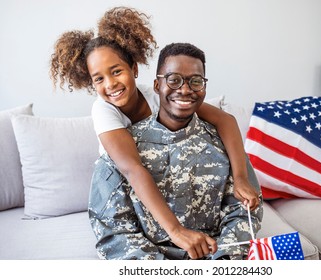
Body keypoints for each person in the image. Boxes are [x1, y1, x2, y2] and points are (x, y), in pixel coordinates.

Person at [49, 6, 260, 258]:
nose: (111, 84)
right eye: (99, 79)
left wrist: (240, 178)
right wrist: (175, 230)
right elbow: (133, 170)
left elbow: (225, 120)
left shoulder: (163, 98)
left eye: (116, 71)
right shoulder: (104, 113)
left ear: (135, 70)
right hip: (128, 175)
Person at [90, 42, 263, 259]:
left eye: (195, 81)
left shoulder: (222, 144)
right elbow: (114, 228)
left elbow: (243, 213)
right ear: (157, 85)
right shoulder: (116, 144)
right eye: (173, 80)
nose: (184, 89)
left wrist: (221, 260)